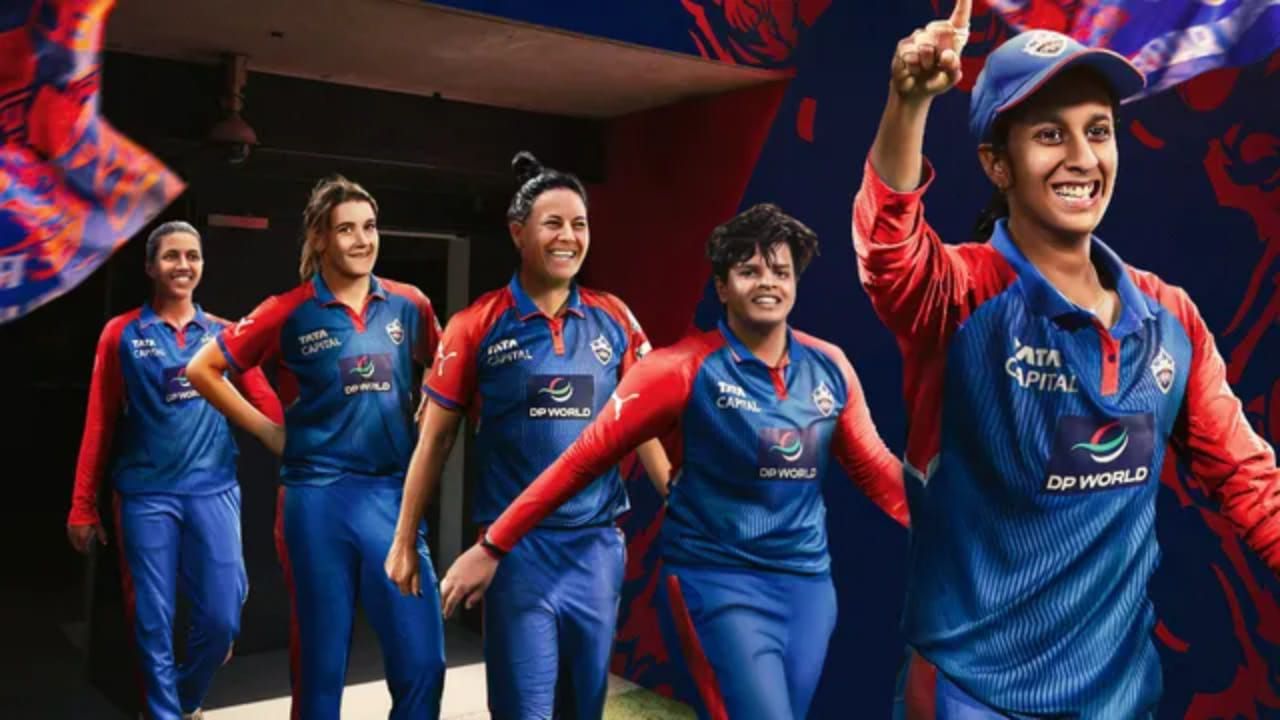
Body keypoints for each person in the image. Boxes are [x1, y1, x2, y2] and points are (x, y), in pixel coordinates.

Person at [854, 2, 1280, 716]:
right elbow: (887, 251)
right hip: (970, 697)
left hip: (1120, 699)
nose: (1082, 157)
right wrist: (908, 103)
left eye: (1098, 131)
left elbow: (1250, 482)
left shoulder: (1169, 317)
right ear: (997, 162)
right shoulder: (963, 295)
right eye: (1050, 134)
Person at [439, 202, 909, 720]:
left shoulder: (829, 366)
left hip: (808, 589)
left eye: (781, 271)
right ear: (722, 286)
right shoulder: (679, 369)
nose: (768, 283)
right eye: (749, 271)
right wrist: (494, 544)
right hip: (716, 582)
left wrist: (952, 521)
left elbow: (875, 469)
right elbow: (581, 460)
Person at [384, 151, 671, 719]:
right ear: (518, 233)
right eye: (553, 223)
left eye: (579, 224)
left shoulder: (614, 317)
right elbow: (435, 442)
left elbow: (640, 422)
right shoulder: (476, 324)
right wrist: (403, 539)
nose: (569, 237)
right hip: (516, 554)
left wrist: (678, 500)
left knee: (582, 710)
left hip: (596, 549)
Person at [186, 176, 447, 720]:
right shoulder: (289, 311)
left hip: (390, 497)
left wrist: (429, 407)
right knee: (321, 667)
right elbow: (202, 368)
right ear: (320, 238)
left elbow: (443, 365)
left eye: (369, 227)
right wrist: (268, 432)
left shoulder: (409, 304)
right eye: (346, 229)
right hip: (315, 500)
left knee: (423, 661)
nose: (362, 240)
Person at [68, 221, 283, 720]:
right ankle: (163, 713)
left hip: (214, 490)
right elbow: (99, 421)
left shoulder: (225, 334)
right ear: (150, 266)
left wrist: (308, 453)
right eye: (171, 256)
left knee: (223, 619)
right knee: (152, 620)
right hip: (145, 496)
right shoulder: (122, 333)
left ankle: (183, 702)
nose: (183, 265)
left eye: (192, 256)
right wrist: (82, 505)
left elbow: (267, 405)